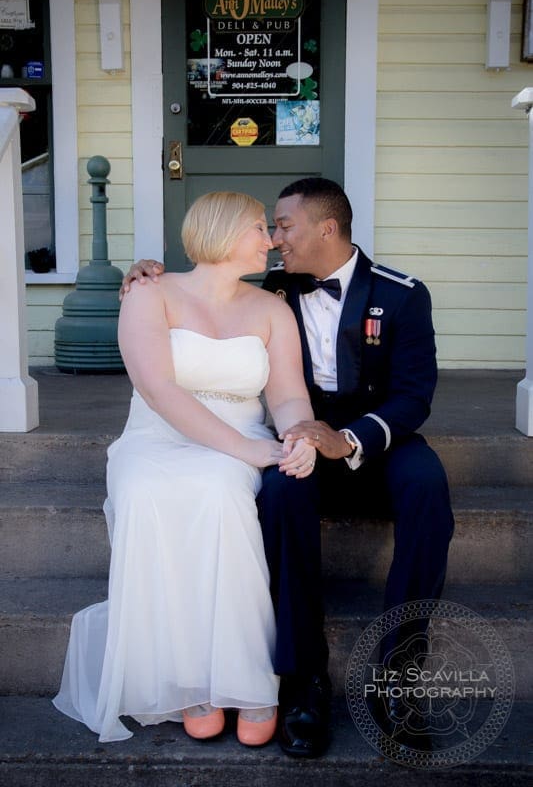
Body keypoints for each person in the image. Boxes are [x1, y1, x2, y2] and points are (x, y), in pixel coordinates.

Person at [121, 177, 455, 758]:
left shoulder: (402, 294)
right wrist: (146, 269)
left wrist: (346, 438)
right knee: (281, 494)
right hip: (294, 433)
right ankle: (303, 680)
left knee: (428, 489)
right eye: (268, 227)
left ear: (327, 228)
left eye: (284, 226)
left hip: (374, 436)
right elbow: (205, 283)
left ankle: (399, 675)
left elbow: (413, 396)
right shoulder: (270, 292)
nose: (275, 241)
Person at [53, 191, 317, 745]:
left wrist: (297, 435)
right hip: (156, 435)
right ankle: (188, 679)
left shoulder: (271, 308)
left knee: (222, 494)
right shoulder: (150, 292)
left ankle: (246, 680)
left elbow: (289, 394)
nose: (270, 239)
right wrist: (250, 453)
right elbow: (158, 388)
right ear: (223, 232)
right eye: (259, 228)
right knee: (148, 492)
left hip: (242, 434)